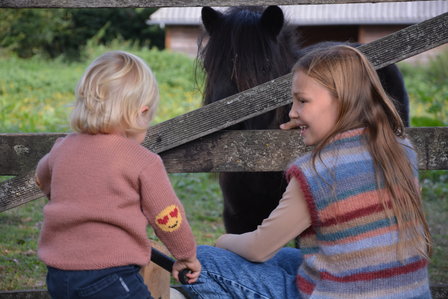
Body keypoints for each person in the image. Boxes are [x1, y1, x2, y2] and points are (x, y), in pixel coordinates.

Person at [183, 45, 432, 298]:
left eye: (302, 101)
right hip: (405, 291)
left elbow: (259, 248)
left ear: (341, 100)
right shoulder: (400, 149)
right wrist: (310, 121)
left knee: (205, 261)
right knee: (289, 258)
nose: (292, 112)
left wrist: (222, 242)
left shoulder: (317, 172)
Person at [35, 51, 201, 299]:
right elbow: (168, 217)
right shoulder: (141, 161)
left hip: (59, 276)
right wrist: (186, 255)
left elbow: (41, 178)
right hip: (109, 277)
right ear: (141, 112)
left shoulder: (62, 148)